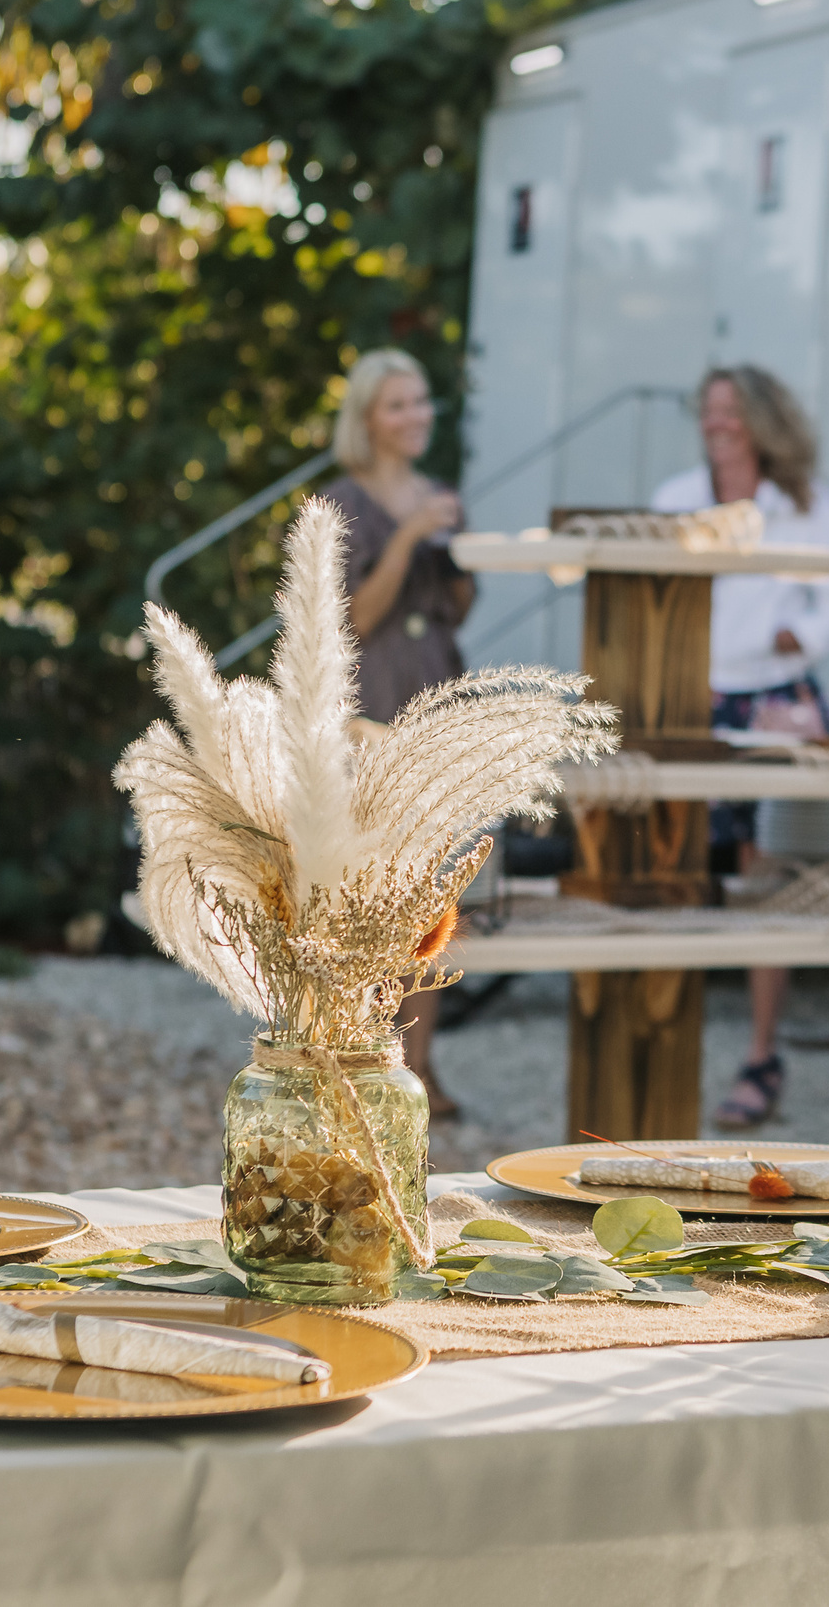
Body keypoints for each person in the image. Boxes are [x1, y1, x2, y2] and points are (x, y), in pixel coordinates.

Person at [651, 366, 829, 1130]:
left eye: (731, 411)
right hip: (690, 702)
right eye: (708, 409)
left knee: (764, 877)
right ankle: (661, 1035)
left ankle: (760, 1052)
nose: (717, 423)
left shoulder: (802, 504)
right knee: (671, 860)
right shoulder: (675, 496)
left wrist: (796, 635)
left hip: (774, 703)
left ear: (763, 421)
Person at [315, 347, 476, 1115]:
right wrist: (410, 535)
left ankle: (421, 1061)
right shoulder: (344, 500)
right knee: (373, 886)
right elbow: (354, 617)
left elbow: (457, 606)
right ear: (368, 419)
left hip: (435, 685)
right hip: (370, 699)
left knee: (435, 891)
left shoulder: (443, 493)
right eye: (397, 405)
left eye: (421, 402)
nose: (415, 417)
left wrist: (460, 562)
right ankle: (361, 1053)